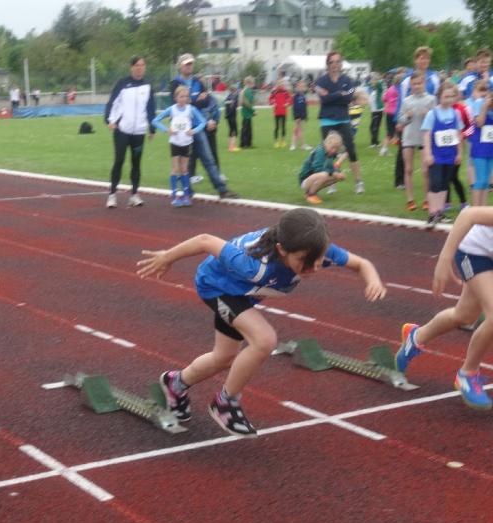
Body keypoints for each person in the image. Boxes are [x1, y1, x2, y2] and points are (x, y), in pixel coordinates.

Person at [137, 208, 386, 436]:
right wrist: (167, 257)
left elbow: (361, 264)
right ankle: (225, 402)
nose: (313, 268)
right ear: (282, 250)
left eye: (319, 260)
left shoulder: (315, 249)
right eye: (304, 261)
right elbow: (205, 240)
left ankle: (175, 383)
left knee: (223, 357)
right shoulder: (254, 265)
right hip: (216, 287)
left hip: (243, 293)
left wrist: (372, 280)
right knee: (264, 340)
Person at [395, 207, 493, 409]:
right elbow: (468, 215)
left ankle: (416, 336)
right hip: (474, 253)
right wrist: (444, 259)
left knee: (464, 315)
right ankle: (467, 374)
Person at [169, 53, 237, 199]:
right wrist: (195, 101)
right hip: (182, 129)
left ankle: (222, 190)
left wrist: (192, 103)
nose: (190, 66)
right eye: (187, 64)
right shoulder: (175, 84)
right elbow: (178, 105)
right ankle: (187, 190)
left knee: (208, 158)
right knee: (183, 162)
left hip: (197, 127)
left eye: (191, 63)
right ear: (180, 66)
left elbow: (206, 101)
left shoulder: (198, 82)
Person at [104, 55, 156, 209]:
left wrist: (152, 128)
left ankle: (134, 194)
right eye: (137, 65)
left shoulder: (148, 86)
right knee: (119, 160)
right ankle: (112, 195)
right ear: (132, 67)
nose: (140, 68)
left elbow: (150, 108)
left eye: (142, 65)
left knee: (136, 162)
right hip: (122, 130)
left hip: (139, 131)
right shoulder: (122, 83)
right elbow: (112, 102)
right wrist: (109, 120)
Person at [314, 51, 365, 193]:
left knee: (351, 149)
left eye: (337, 62)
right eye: (331, 62)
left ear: (341, 64)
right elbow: (324, 100)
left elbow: (348, 98)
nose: (335, 65)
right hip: (327, 120)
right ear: (327, 64)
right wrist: (338, 94)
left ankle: (358, 182)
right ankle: (331, 182)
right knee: (329, 152)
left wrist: (333, 96)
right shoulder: (320, 82)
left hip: (343, 119)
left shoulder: (348, 80)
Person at [393, 47, 442, 190]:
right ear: (415, 60)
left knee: (429, 149)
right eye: (421, 58)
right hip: (410, 119)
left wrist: (435, 115)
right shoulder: (407, 79)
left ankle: (431, 180)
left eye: (426, 58)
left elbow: (437, 98)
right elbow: (401, 100)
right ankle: (400, 180)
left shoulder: (434, 77)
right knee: (404, 149)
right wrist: (399, 121)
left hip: (427, 118)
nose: (424, 61)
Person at [151, 85, 207, 207]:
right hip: (175, 142)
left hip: (186, 142)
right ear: (175, 98)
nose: (184, 99)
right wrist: (167, 130)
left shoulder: (191, 109)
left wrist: (194, 130)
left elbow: (203, 121)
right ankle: (175, 196)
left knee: (184, 169)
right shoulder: (171, 109)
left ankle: (186, 196)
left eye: (186, 96)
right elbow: (155, 121)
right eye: (181, 96)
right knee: (175, 169)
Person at [421, 81, 463, 226]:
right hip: (436, 155)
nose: (449, 99)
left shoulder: (456, 113)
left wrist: (459, 153)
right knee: (435, 183)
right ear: (439, 96)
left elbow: (458, 134)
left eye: (452, 96)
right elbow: (426, 135)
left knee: (445, 184)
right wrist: (427, 154)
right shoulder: (432, 114)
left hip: (450, 154)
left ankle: (440, 212)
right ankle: (432, 213)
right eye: (446, 96)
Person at [397, 72, 436, 211]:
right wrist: (407, 116)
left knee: (426, 171)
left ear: (424, 83)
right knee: (408, 169)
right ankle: (410, 200)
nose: (417, 86)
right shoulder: (407, 101)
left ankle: (427, 199)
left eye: (419, 83)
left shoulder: (431, 99)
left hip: (424, 138)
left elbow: (436, 118)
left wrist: (428, 115)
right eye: (414, 84)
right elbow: (400, 120)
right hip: (409, 137)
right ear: (411, 85)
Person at [298, 131, 347, 204]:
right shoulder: (320, 151)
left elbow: (330, 167)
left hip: (313, 177)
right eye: (332, 147)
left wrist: (339, 173)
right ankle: (310, 194)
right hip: (305, 180)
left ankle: (313, 192)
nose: (334, 150)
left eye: (336, 149)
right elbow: (318, 169)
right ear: (327, 143)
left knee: (336, 177)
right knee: (324, 175)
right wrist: (335, 173)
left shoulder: (329, 153)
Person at [468, 80, 493, 207]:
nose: (483, 93)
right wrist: (484, 107)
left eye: (485, 90)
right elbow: (480, 123)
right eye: (481, 90)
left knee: (487, 181)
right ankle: (475, 208)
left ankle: (482, 208)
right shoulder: (478, 103)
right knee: (481, 179)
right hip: (479, 148)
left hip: (490, 147)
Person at [188, 89, 220, 184]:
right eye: (200, 95)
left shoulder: (212, 100)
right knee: (194, 153)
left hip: (209, 129)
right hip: (198, 128)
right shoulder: (195, 101)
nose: (201, 96)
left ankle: (217, 174)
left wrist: (214, 122)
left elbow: (216, 112)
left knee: (213, 151)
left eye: (203, 94)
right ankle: (190, 175)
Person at [381, 73, 401, 157]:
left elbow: (383, 99)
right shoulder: (400, 89)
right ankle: (401, 150)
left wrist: (388, 103)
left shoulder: (390, 89)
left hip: (389, 112)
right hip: (397, 112)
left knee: (389, 133)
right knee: (400, 131)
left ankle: (384, 149)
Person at [269, 79, 291, 148]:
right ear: (277, 84)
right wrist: (273, 103)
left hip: (283, 111)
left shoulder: (285, 91)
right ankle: (276, 142)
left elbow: (289, 99)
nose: (281, 84)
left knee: (283, 127)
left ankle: (283, 141)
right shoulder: (274, 91)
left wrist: (287, 103)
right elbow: (270, 99)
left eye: (282, 83)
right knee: (277, 127)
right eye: (279, 83)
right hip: (276, 112)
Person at [290, 80, 310, 151]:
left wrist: (305, 116)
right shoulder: (296, 96)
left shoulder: (303, 96)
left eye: (303, 86)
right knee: (297, 130)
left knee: (299, 130)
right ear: (297, 87)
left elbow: (304, 107)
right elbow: (295, 107)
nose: (302, 88)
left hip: (302, 116)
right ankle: (296, 144)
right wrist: (297, 116)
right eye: (301, 86)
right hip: (298, 116)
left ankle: (299, 144)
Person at [368, 72, 385, 148]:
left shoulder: (379, 89)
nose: (371, 82)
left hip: (377, 111)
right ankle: (376, 142)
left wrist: (376, 78)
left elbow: (380, 83)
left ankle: (374, 143)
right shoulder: (373, 90)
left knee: (374, 127)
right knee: (374, 127)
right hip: (374, 111)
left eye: (373, 81)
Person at [239, 75, 256, 149]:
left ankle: (246, 144)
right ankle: (245, 144)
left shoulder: (244, 90)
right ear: (249, 83)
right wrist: (253, 111)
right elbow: (246, 103)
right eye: (253, 83)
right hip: (247, 113)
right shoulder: (247, 91)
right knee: (246, 129)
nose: (253, 84)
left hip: (246, 113)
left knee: (246, 129)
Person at [224, 82, 240, 152]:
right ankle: (232, 147)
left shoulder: (227, 97)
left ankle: (229, 146)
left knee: (230, 130)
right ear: (234, 90)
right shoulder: (234, 97)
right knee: (235, 131)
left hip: (227, 116)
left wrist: (227, 115)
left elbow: (227, 107)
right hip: (232, 116)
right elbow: (233, 107)